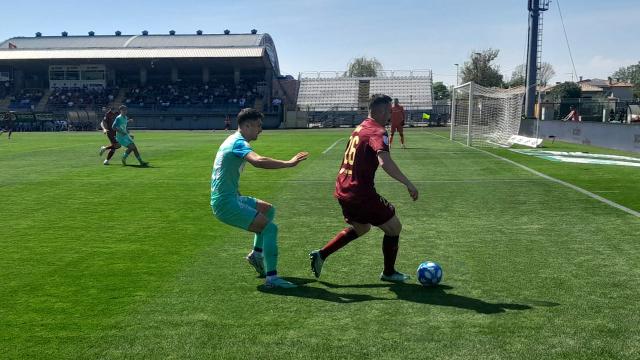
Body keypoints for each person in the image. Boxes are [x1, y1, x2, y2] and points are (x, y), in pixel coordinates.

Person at [309, 94, 419, 282]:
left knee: (361, 228)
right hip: (360, 192)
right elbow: (385, 162)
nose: (390, 116)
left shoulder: (360, 127)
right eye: (389, 111)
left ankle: (321, 254)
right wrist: (408, 183)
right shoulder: (377, 131)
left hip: (343, 188)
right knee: (394, 227)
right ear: (382, 110)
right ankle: (389, 273)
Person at [210, 108, 308, 289]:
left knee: (268, 210)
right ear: (246, 125)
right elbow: (258, 160)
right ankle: (272, 278)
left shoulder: (232, 140)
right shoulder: (238, 143)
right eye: (258, 125)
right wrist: (289, 163)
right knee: (270, 229)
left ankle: (256, 255)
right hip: (226, 203)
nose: (260, 129)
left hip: (230, 198)